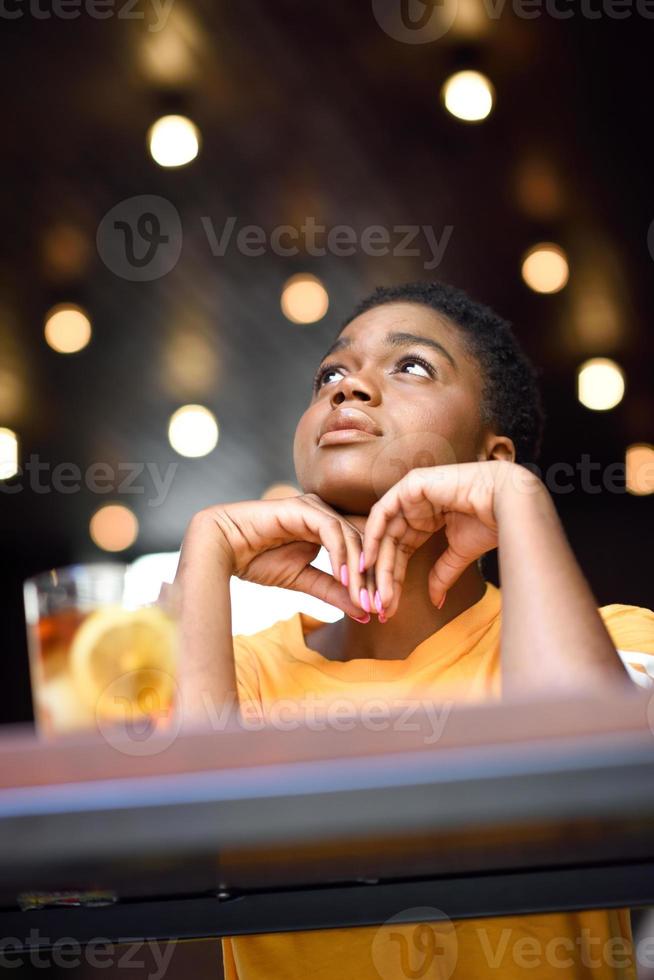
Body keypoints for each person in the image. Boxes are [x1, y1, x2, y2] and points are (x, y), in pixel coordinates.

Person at [173, 281, 654, 979]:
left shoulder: (614, 638)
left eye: (411, 366)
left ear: (492, 459)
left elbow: (592, 797)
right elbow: (173, 853)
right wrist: (204, 554)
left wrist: (519, 498)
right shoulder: (241, 672)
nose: (348, 390)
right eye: (331, 374)